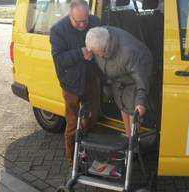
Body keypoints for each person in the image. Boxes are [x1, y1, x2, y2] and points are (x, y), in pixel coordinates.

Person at [49, 0, 100, 167]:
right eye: (78, 21)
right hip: (71, 83)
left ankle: (84, 147)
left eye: (85, 20)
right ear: (70, 15)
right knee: (72, 123)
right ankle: (72, 158)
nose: (83, 24)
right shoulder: (58, 30)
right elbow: (59, 59)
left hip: (90, 79)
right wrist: (80, 53)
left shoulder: (95, 22)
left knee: (92, 117)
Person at [85, 26, 152, 137]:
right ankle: (128, 136)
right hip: (118, 77)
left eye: (102, 52)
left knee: (133, 109)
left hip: (135, 75)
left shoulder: (129, 52)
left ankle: (133, 144)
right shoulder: (98, 40)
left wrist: (140, 103)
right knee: (122, 105)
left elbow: (141, 80)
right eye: (97, 54)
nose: (101, 56)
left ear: (108, 44)